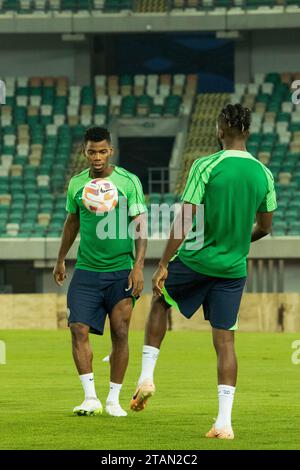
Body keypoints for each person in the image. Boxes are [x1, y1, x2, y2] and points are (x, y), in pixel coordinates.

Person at [130, 104, 277, 439]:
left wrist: (165, 262)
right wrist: (239, 240)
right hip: (233, 269)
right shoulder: (264, 174)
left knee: (160, 302)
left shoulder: (206, 165)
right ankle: (224, 423)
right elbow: (265, 226)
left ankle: (147, 376)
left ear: (219, 130)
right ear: (248, 133)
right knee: (225, 341)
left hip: (197, 260)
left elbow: (185, 219)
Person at [53, 126, 147, 417]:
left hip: (121, 271)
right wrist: (60, 259)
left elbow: (140, 226)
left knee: (120, 332)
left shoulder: (129, 182)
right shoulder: (77, 184)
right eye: (92, 151)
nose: (97, 157)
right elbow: (72, 223)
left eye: (102, 151)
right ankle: (91, 397)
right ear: (85, 152)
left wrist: (139, 265)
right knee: (78, 328)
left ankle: (113, 400)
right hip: (87, 272)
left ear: (111, 151)